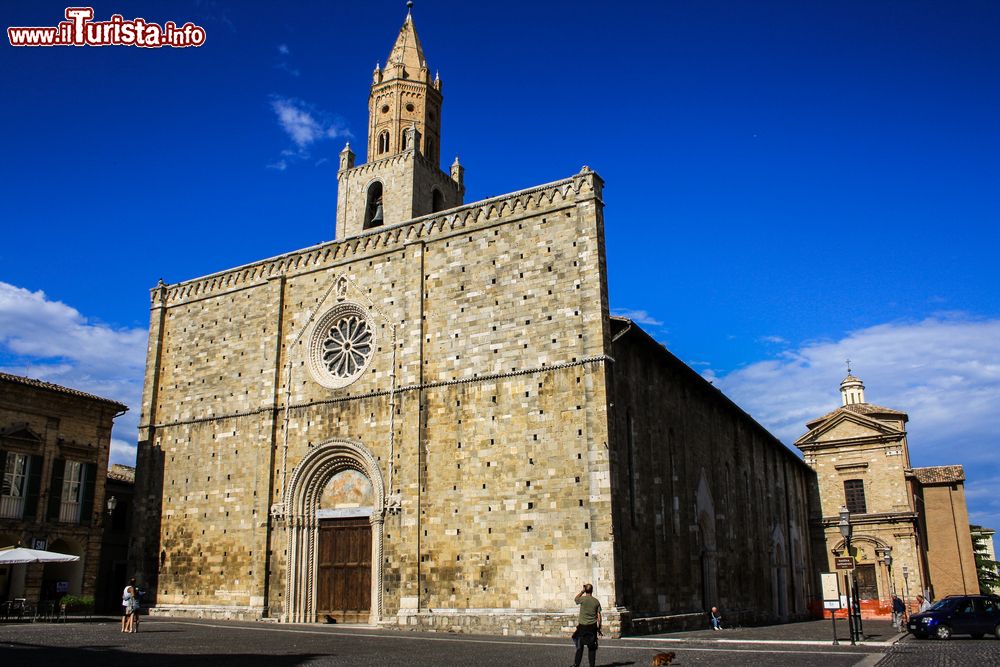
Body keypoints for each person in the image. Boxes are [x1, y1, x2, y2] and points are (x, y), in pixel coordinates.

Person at [571, 583, 602, 667]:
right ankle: (592, 666)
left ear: (586, 590)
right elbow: (598, 615)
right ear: (592, 590)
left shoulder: (583, 599)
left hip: (582, 627)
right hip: (592, 627)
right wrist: (599, 627)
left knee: (580, 647)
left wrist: (582, 591)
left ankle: (576, 665)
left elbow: (576, 599)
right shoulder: (596, 601)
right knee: (592, 648)